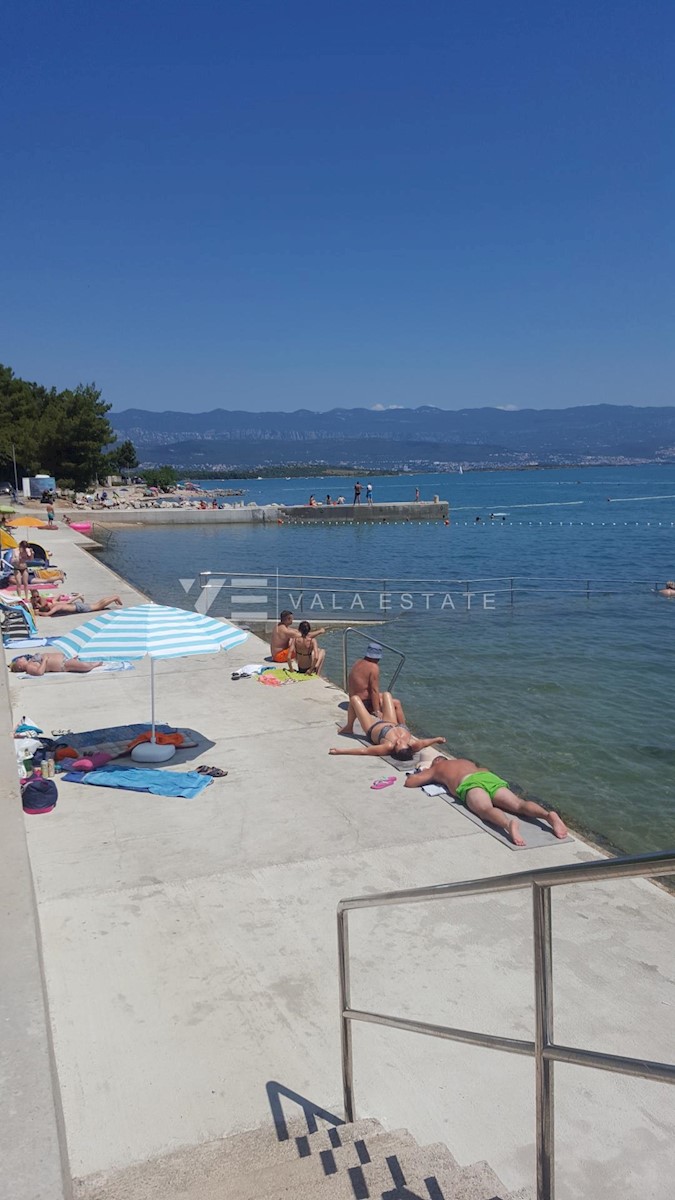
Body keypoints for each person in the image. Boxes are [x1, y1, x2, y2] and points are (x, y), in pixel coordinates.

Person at [404, 756, 568, 847]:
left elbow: (410, 783)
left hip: (468, 782)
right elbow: (485, 770)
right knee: (519, 804)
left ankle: (507, 824)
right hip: (487, 777)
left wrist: (422, 772)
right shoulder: (466, 762)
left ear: (437, 761)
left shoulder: (437, 767)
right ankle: (548, 815)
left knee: (485, 809)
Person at [331, 693, 445, 762]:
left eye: (397, 745)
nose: (398, 742)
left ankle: (349, 727)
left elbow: (364, 751)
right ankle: (374, 705)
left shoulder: (387, 746)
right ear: (408, 746)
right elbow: (425, 742)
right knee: (387, 695)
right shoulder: (413, 744)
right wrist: (437, 739)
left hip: (372, 726)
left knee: (355, 699)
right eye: (401, 743)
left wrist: (340, 751)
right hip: (391, 722)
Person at [343, 642, 406, 726]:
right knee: (396, 703)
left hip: (354, 700)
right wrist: (377, 711)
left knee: (384, 696)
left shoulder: (357, 662)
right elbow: (374, 690)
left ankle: (399, 725)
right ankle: (403, 728)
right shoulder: (373, 667)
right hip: (364, 703)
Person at [31, 590, 122, 617]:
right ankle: (113, 597)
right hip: (77, 606)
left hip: (78, 608)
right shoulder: (53, 604)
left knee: (98, 606)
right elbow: (57, 597)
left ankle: (114, 597)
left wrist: (39, 613)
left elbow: (48, 614)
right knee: (97, 604)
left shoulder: (55, 608)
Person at [10, 651, 103, 675]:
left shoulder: (30, 661)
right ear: (19, 666)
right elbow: (39, 672)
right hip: (63, 664)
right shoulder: (29, 667)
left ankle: (97, 661)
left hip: (65, 658)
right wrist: (45, 660)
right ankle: (97, 663)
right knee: (86, 666)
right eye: (19, 660)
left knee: (85, 658)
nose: (21, 658)